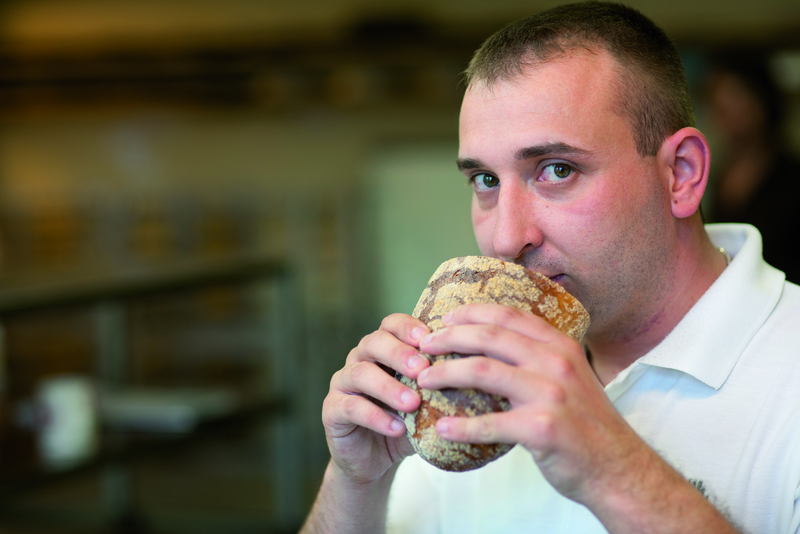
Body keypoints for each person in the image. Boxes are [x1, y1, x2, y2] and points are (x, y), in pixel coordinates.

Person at [300, 3, 800, 533]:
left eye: (556, 170)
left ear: (681, 174)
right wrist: (356, 484)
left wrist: (613, 469)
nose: (508, 238)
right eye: (486, 182)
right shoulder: (468, 386)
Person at [704, 52, 800, 284]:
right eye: (718, 98)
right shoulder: (719, 174)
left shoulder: (791, 176)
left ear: (761, 101)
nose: (726, 108)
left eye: (736, 95)